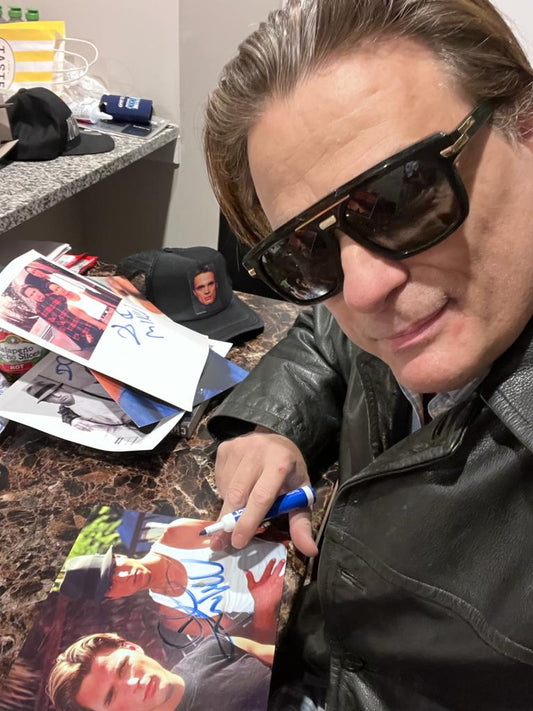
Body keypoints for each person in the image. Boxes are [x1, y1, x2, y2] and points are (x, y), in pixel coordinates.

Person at [202, 0, 533, 709]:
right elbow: (324, 336)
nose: (360, 288)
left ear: (526, 129)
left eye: (401, 195)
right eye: (307, 250)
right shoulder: (410, 308)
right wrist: (267, 426)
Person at [59, 518, 285, 645]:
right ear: (113, 597)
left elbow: (258, 526)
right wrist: (264, 606)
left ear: (119, 556)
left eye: (114, 568)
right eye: (111, 584)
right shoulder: (173, 615)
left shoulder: (177, 535)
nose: (124, 576)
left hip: (292, 558)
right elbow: (255, 643)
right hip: (284, 606)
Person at [47, 631, 274, 711]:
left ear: (132, 648)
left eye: (123, 668)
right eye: (111, 695)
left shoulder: (215, 647)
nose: (132, 684)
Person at [26, 378, 137, 437]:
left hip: (140, 417)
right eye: (50, 396)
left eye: (56, 390)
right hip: (129, 435)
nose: (58, 396)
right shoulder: (70, 413)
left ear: (62, 388)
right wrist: (72, 420)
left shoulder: (93, 388)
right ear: (48, 401)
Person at [20, 285, 104, 351]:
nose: (35, 295)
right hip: (80, 334)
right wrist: (82, 337)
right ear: (29, 298)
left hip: (90, 323)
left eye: (34, 291)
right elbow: (59, 327)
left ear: (37, 289)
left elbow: (79, 307)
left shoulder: (55, 294)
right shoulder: (39, 310)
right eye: (31, 295)